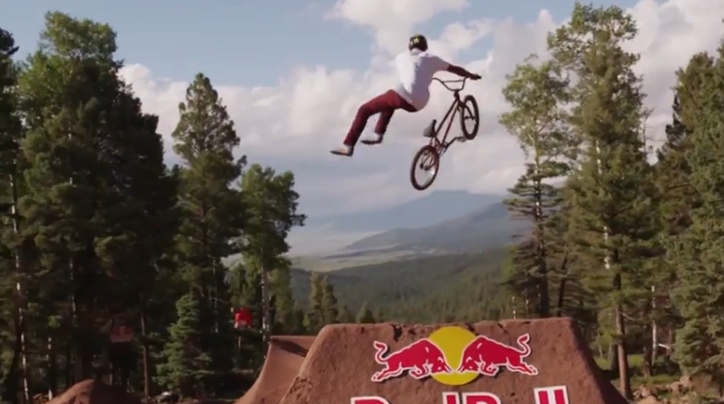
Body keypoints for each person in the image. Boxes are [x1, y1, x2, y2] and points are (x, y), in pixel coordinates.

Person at [330, 34, 481, 157]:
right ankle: (378, 134)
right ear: (425, 47)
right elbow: (454, 69)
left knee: (365, 109)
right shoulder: (432, 58)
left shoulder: (400, 57)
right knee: (389, 101)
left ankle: (348, 146)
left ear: (409, 46)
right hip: (420, 103)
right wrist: (471, 75)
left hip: (403, 96)